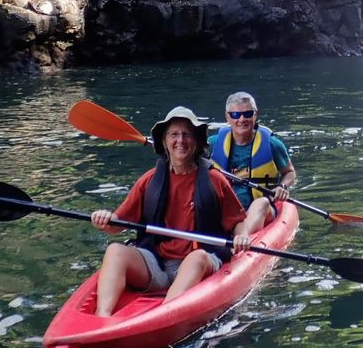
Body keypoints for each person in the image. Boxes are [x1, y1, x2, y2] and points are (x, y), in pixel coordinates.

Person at [89, 106, 258, 317]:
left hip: (201, 260)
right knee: (115, 250)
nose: (180, 140)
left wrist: (242, 236)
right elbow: (117, 224)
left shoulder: (215, 180)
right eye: (174, 135)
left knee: (196, 258)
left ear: (196, 141)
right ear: (164, 142)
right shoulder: (150, 180)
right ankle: (102, 318)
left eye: (187, 134)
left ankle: (161, 317)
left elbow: (237, 222)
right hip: (157, 264)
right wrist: (106, 219)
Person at [208, 92, 296, 230]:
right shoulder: (212, 144)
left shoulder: (272, 144)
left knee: (261, 203)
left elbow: (290, 172)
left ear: (255, 115)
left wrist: (282, 187)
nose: (242, 119)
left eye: (248, 114)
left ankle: (243, 239)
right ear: (227, 117)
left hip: (261, 207)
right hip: (226, 210)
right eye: (236, 115)